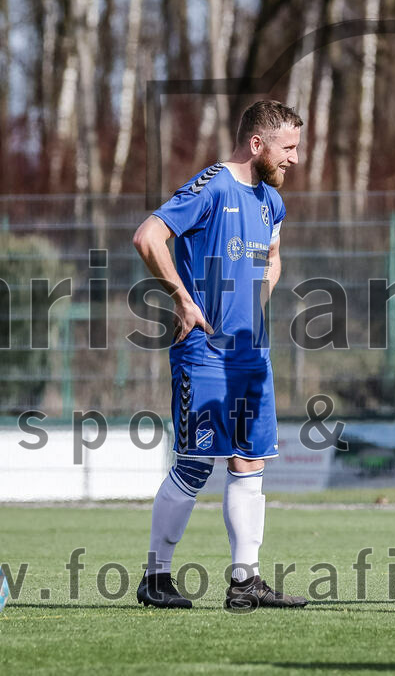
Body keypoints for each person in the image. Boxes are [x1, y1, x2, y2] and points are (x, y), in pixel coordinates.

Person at [132, 100, 307, 610]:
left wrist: (255, 303)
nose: (294, 159)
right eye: (288, 148)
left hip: (250, 358)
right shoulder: (212, 186)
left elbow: (273, 259)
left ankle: (244, 581)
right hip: (204, 353)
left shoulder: (271, 203)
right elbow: (149, 236)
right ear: (258, 144)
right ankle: (156, 578)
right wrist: (181, 298)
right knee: (193, 464)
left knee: (250, 461)